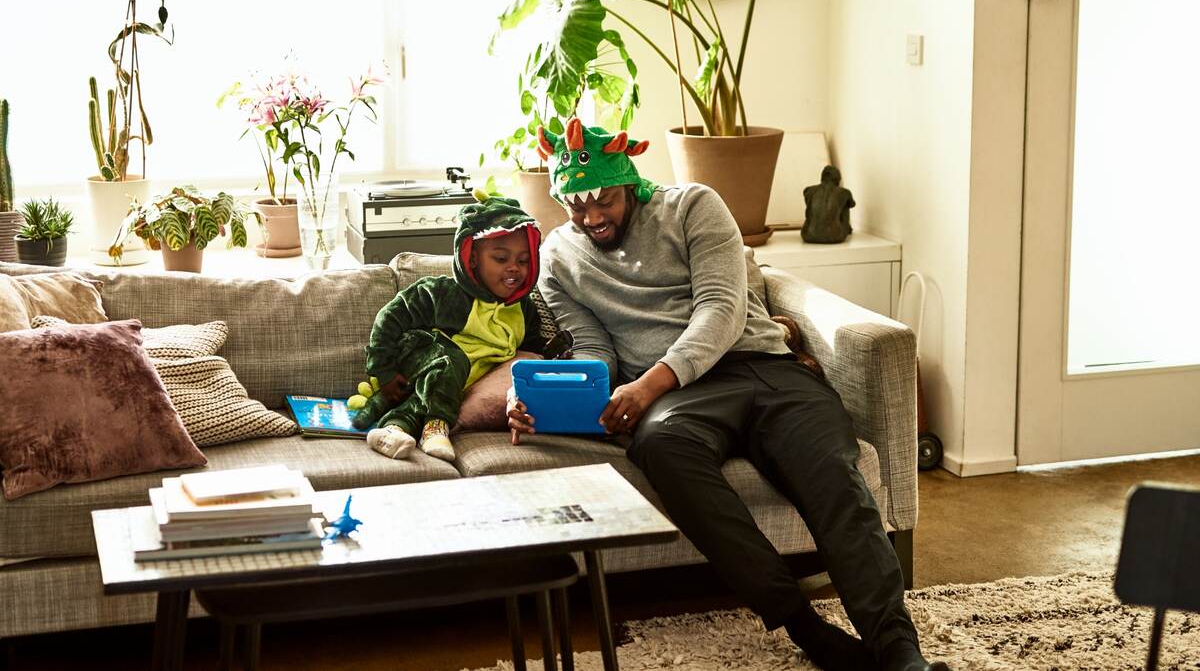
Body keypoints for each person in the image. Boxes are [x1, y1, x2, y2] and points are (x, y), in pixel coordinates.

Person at [508, 119, 947, 671]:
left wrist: (650, 383)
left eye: (605, 201)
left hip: (763, 367)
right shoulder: (560, 257)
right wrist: (567, 397)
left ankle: (901, 654)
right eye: (575, 206)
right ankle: (805, 628)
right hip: (679, 401)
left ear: (629, 183)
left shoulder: (693, 205)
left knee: (837, 481)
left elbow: (722, 308)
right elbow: (594, 351)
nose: (591, 218)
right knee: (661, 446)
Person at [350, 195, 547, 462]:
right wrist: (383, 370)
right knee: (450, 360)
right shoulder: (445, 293)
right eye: (501, 258)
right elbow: (391, 316)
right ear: (473, 258)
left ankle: (393, 429)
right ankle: (435, 427)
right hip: (421, 358)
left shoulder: (525, 310)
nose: (514, 267)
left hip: (455, 386)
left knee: (443, 382)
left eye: (523, 261)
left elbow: (531, 353)